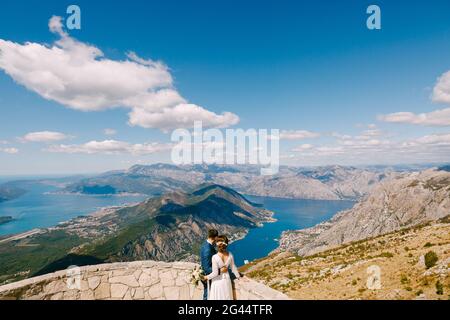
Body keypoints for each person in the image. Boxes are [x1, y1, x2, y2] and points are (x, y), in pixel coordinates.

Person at [203, 235, 242, 300]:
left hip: (217, 282)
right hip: (226, 281)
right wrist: (238, 277)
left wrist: (206, 277)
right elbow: (233, 268)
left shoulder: (214, 257)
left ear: (217, 244)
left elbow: (215, 273)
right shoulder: (230, 254)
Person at [200, 229, 228, 300]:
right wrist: (219, 270)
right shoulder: (208, 249)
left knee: (209, 294)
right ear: (215, 237)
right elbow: (206, 268)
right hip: (208, 276)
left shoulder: (205, 244)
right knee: (208, 295)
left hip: (208, 275)